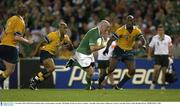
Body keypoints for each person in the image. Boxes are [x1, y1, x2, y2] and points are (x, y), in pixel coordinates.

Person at [99, 15, 147, 89]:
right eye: (128, 20)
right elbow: (111, 39)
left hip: (129, 51)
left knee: (132, 71)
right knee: (111, 69)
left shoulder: (137, 30)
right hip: (119, 50)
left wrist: (144, 45)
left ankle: (119, 86)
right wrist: (107, 49)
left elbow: (143, 39)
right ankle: (101, 78)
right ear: (126, 21)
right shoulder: (121, 30)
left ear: (133, 21)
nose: (129, 22)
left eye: (131, 20)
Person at [66, 20, 111, 90]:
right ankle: (75, 63)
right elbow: (92, 48)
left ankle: (88, 87)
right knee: (90, 71)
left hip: (88, 54)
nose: (107, 30)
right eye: (107, 27)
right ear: (102, 26)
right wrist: (102, 46)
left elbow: (92, 49)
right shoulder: (94, 33)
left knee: (90, 72)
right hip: (82, 53)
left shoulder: (98, 33)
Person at [29, 22, 73, 90]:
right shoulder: (53, 35)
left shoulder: (66, 37)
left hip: (50, 54)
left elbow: (71, 47)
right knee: (52, 68)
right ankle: (34, 78)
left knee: (49, 73)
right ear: (60, 28)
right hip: (45, 51)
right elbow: (41, 41)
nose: (66, 30)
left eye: (66, 28)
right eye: (64, 28)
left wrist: (69, 44)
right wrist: (35, 52)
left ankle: (35, 83)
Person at [0, 4, 33, 89]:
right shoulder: (20, 21)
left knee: (5, 67)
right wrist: (28, 41)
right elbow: (16, 37)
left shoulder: (10, 19)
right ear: (26, 14)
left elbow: (3, 34)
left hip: (2, 45)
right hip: (11, 46)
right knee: (10, 70)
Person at [148, 24, 173, 90]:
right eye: (159, 30)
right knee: (156, 69)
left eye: (161, 30)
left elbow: (170, 46)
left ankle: (163, 85)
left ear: (164, 31)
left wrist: (170, 54)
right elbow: (151, 47)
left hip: (165, 56)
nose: (160, 31)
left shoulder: (168, 38)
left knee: (164, 71)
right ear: (157, 31)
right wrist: (149, 55)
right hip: (157, 55)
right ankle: (153, 84)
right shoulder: (154, 38)